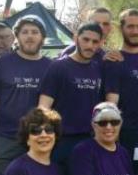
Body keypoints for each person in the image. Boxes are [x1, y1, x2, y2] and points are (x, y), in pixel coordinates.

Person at [0, 16, 51, 175]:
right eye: (25, 32)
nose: (30, 37)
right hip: (4, 140)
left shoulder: (51, 67)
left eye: (35, 32)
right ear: (17, 37)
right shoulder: (2, 63)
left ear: (43, 37)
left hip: (38, 141)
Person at [38, 22, 107, 164]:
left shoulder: (98, 69)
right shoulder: (58, 67)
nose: (90, 45)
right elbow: (44, 106)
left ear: (100, 43)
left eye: (95, 42)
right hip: (61, 141)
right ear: (76, 38)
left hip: (90, 140)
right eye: (85, 40)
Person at [103, 9, 138, 156]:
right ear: (121, 28)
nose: (136, 31)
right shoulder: (114, 60)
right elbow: (111, 103)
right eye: (130, 26)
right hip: (126, 136)